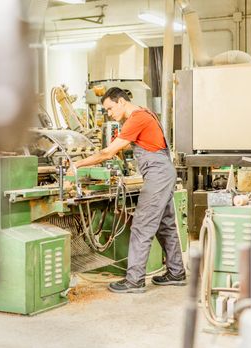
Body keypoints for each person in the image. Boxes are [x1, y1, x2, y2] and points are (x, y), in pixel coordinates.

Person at [71, 87, 186, 293]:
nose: (108, 113)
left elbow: (108, 153)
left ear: (121, 102)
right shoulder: (144, 113)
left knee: (141, 225)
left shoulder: (137, 118)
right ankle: (176, 272)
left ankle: (134, 280)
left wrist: (76, 166)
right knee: (165, 225)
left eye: (109, 108)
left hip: (158, 176)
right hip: (163, 174)